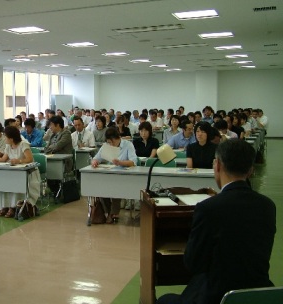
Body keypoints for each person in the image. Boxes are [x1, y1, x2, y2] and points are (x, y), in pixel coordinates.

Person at [157, 140, 276, 304]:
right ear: (250, 170)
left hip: (216, 296)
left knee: (164, 300)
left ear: (217, 165)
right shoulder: (268, 206)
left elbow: (193, 263)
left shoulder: (208, 208)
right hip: (256, 295)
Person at [0, 126, 40, 218]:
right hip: (13, 172)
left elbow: (30, 159)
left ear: (11, 138)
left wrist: (18, 161)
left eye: (6, 136)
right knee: (5, 184)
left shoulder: (23, 144)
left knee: (15, 184)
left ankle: (14, 207)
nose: (4, 138)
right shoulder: (8, 146)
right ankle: (5, 206)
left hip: (27, 173)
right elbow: (3, 159)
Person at [91, 128, 137, 224]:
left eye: (113, 141)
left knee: (116, 187)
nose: (111, 144)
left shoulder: (128, 145)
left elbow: (133, 162)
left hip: (123, 175)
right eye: (109, 142)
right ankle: (108, 211)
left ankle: (113, 213)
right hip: (108, 174)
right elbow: (96, 158)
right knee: (100, 188)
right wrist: (95, 162)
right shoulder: (107, 146)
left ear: (119, 138)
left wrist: (120, 162)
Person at [44, 115, 73, 195]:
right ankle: (55, 191)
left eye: (51, 125)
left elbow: (57, 146)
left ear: (57, 125)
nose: (50, 127)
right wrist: (50, 148)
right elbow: (46, 148)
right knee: (48, 172)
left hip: (64, 162)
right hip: (51, 160)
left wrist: (50, 148)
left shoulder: (66, 133)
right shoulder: (52, 135)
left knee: (52, 173)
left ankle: (57, 191)